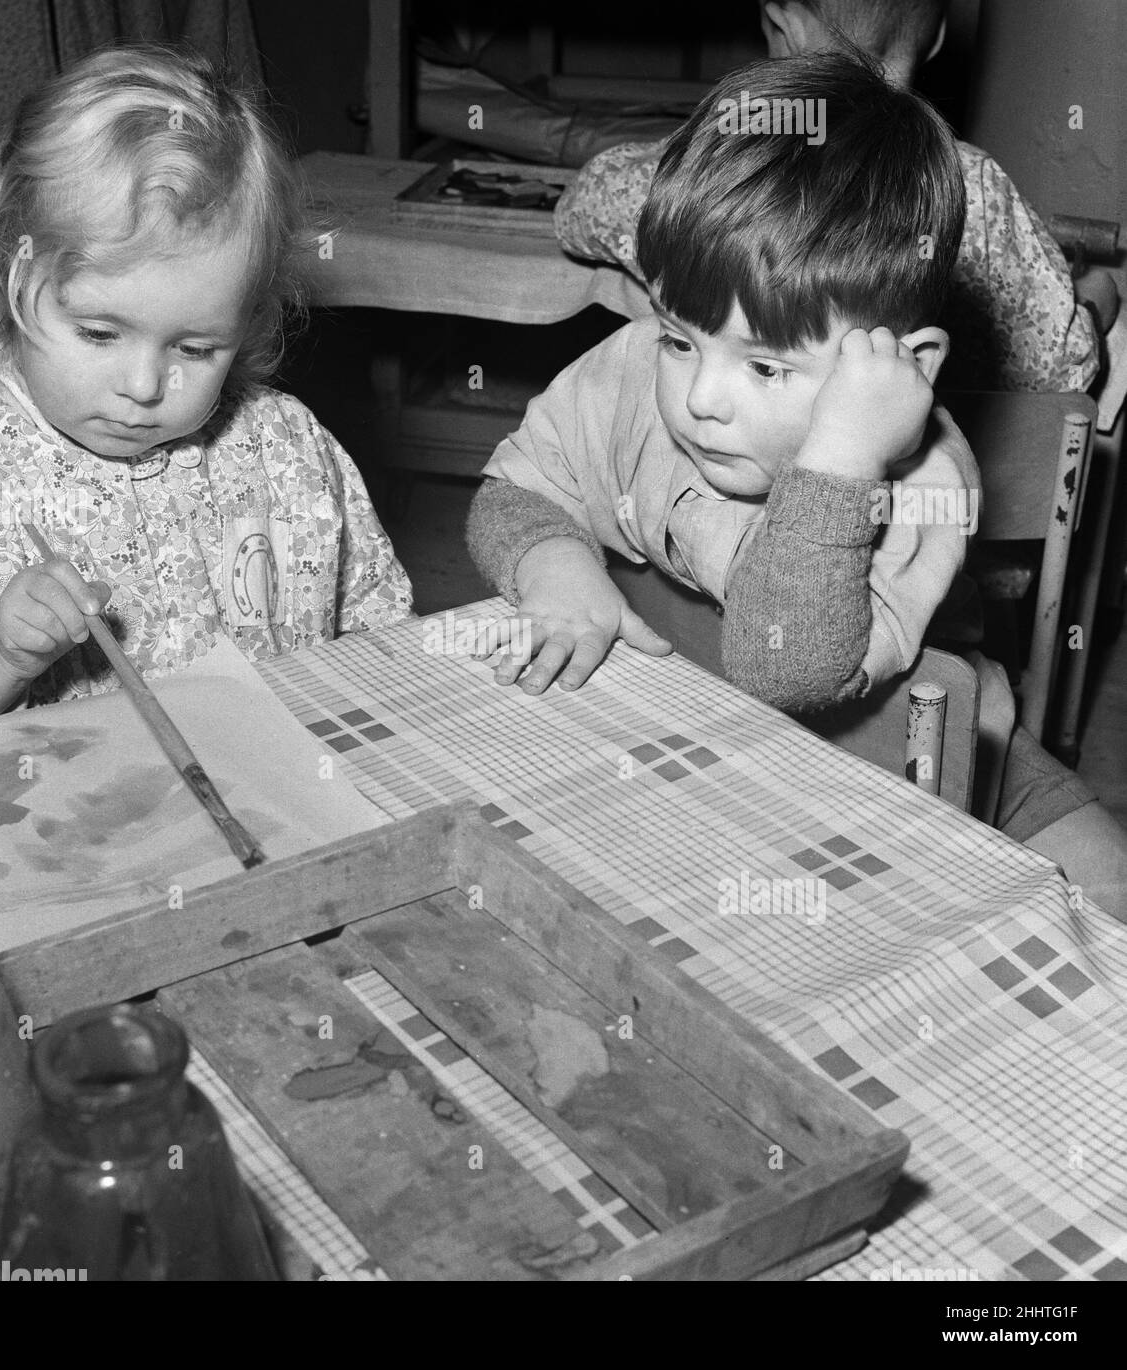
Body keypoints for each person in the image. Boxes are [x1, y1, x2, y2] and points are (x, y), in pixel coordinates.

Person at [466, 50, 1127, 916]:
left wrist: (846, 455)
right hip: (718, 736)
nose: (701, 399)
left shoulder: (919, 476)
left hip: (939, 742)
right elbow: (512, 490)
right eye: (680, 339)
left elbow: (790, 664)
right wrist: (556, 568)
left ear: (901, 374)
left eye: (767, 369)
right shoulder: (633, 373)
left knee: (1103, 900)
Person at [0, 43, 412, 737]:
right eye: (101, 334)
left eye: (196, 348)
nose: (143, 387)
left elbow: (382, 643)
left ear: (251, 316)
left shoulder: (288, 449)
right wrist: (0, 658)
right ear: (10, 271)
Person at [554, 0, 1099, 395]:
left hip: (736, 500)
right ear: (933, 40)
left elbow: (583, 205)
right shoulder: (976, 181)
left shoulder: (728, 167)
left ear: (780, 26)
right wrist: (1097, 301)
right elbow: (1067, 368)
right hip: (938, 515)